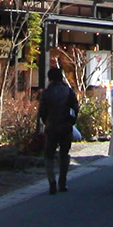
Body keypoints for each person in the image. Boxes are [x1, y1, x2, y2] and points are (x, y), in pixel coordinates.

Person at [38, 66, 78, 194]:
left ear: (50, 78)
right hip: (66, 127)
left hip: (51, 127)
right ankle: (63, 182)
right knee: (64, 155)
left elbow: (42, 112)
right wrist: (71, 122)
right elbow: (75, 109)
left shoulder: (46, 93)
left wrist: (47, 122)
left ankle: (51, 181)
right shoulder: (69, 91)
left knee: (49, 155)